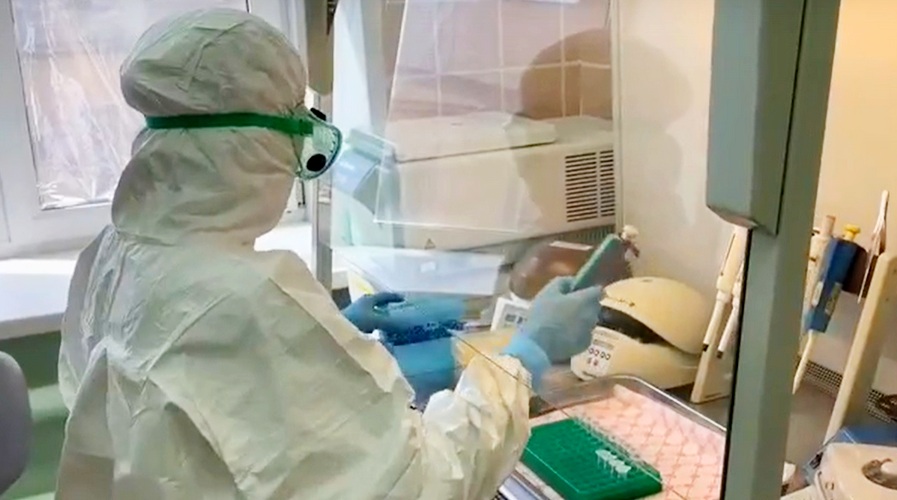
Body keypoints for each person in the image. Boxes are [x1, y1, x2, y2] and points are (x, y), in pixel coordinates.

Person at [56, 8, 603, 499]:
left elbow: (193, 402)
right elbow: (421, 484)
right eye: (295, 131)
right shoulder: (244, 299)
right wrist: (527, 354)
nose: (298, 159)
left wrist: (328, 331)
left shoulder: (110, 255)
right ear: (246, 147)